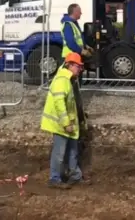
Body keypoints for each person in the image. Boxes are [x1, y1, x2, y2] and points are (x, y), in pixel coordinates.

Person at [41, 52, 89, 189]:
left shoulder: (69, 80)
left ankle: (75, 176)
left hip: (69, 124)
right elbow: (59, 104)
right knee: (60, 153)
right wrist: (66, 123)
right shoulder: (62, 81)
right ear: (71, 65)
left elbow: (70, 103)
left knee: (73, 151)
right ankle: (54, 179)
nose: (80, 70)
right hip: (60, 124)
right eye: (79, 67)